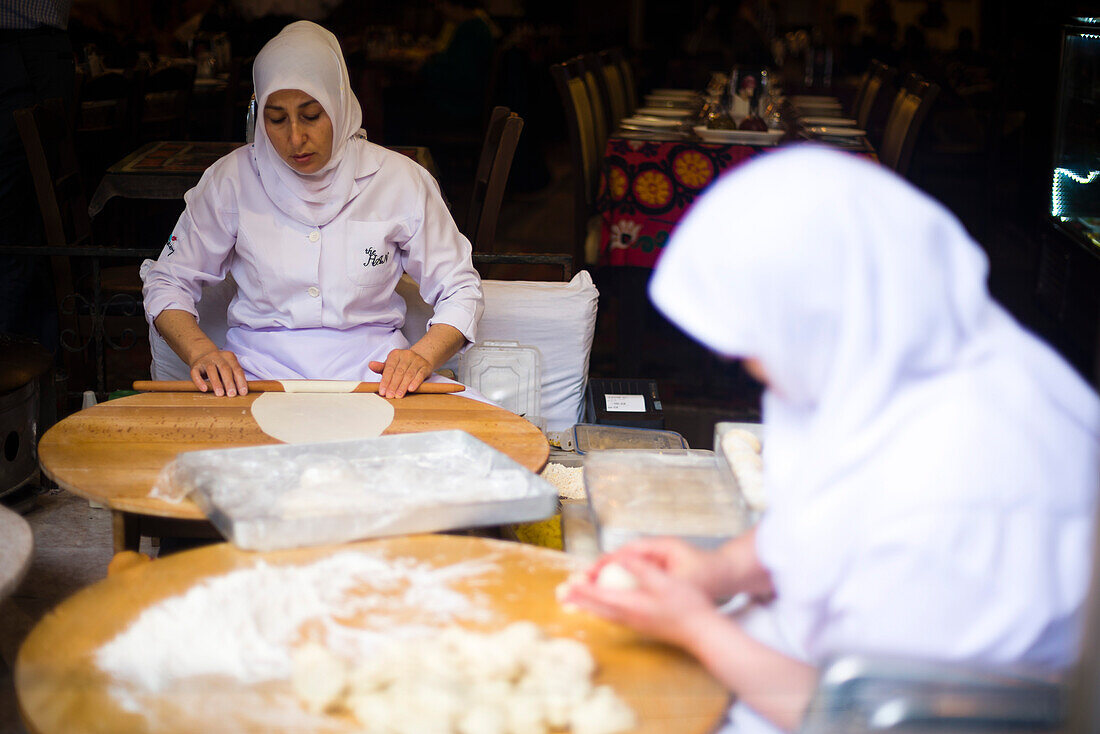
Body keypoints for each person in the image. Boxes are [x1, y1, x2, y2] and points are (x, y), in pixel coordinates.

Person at [564, 147, 1100, 733]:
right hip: (803, 660)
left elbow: (870, 717)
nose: (740, 360)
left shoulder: (971, 486)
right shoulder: (878, 355)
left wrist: (697, 627)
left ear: (814, 321)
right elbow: (825, 520)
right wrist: (721, 571)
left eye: (755, 342)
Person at [143, 21, 483, 399]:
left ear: (338, 103)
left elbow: (460, 286)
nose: (295, 138)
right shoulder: (231, 180)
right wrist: (202, 352)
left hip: (375, 376)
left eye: (310, 115)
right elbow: (167, 281)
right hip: (255, 378)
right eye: (275, 118)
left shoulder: (400, 180)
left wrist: (421, 356)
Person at [0, 0, 74, 353]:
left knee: (14, 221)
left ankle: (23, 360)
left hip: (23, 51)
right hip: (34, 51)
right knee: (25, 219)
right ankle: (43, 358)